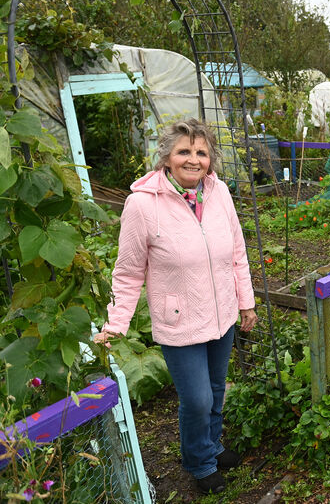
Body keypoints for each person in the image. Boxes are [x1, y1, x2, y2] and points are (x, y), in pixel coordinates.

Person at [93, 119, 257, 494]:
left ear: (210, 159)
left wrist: (245, 302)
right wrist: (116, 324)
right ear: (167, 156)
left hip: (223, 315)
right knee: (197, 399)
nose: (193, 160)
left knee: (216, 389)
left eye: (201, 152)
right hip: (180, 321)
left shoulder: (219, 194)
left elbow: (237, 253)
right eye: (184, 151)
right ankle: (200, 464)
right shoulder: (142, 205)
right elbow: (129, 271)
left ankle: (212, 446)